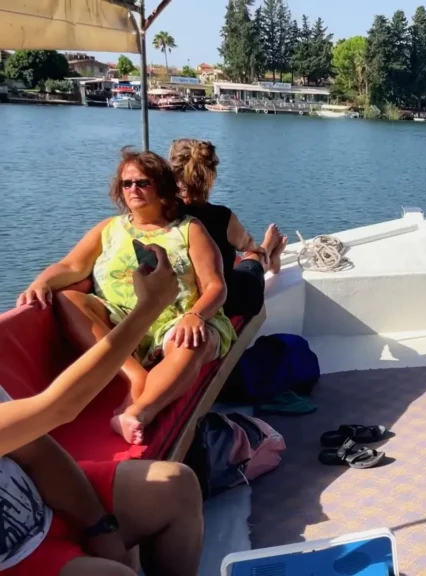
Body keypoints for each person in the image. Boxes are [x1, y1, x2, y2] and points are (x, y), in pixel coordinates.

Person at [2, 244, 204, 576]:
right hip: (13, 559)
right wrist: (150, 306)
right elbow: (58, 408)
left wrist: (98, 527)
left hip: (43, 503)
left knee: (176, 486)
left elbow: (36, 450)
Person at [17, 148, 237, 446]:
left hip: (175, 320)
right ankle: (135, 377)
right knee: (69, 298)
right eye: (126, 183)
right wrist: (41, 282)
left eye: (143, 182)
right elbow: (72, 266)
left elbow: (215, 286)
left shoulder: (189, 229)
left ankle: (137, 411)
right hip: (122, 320)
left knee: (190, 341)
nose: (133, 189)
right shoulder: (109, 229)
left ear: (162, 187)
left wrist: (195, 315)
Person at [168, 138, 287, 320]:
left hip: (178, 302)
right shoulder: (221, 217)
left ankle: (269, 255)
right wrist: (257, 249)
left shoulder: (160, 217)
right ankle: (268, 254)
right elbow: (246, 244)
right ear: (210, 176)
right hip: (228, 300)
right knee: (251, 259)